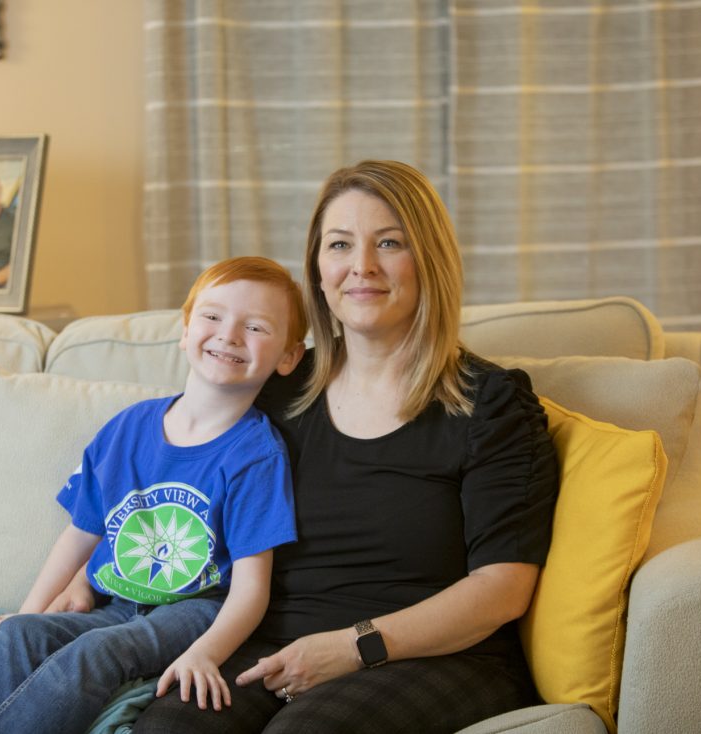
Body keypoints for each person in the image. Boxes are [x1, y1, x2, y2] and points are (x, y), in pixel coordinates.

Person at [130, 160, 560, 733]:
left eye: (389, 242)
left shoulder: (491, 405)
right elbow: (167, 469)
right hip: (271, 644)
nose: (361, 267)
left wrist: (355, 646)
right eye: (339, 244)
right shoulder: (276, 390)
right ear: (317, 267)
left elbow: (502, 589)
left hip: (434, 658)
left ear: (428, 259)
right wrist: (82, 576)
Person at [0, 256, 309, 734]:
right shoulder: (129, 428)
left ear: (288, 357)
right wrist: (25, 612)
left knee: (95, 653)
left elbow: (253, 589)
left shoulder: (256, 454)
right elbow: (79, 534)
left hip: (195, 610)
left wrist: (205, 653)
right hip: (114, 603)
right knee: (20, 635)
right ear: (186, 326)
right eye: (213, 317)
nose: (229, 335)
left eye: (255, 327)